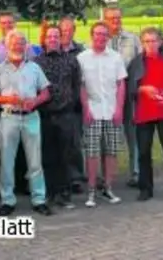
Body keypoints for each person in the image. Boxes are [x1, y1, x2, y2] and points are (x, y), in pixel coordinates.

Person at [0, 31, 53, 217]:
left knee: (35, 160)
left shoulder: (34, 67)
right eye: (15, 43)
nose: (18, 46)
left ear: (26, 46)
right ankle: (7, 200)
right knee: (7, 160)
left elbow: (46, 93)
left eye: (22, 43)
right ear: (7, 46)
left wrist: (35, 101)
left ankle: (39, 199)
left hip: (31, 117)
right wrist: (7, 99)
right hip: (9, 117)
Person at [127, 26, 163, 203]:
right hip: (144, 114)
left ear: (160, 42)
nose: (150, 45)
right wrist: (144, 89)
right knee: (144, 153)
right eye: (146, 41)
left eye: (153, 41)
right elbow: (130, 87)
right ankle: (145, 189)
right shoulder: (136, 63)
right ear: (142, 43)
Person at [76, 21, 128, 207]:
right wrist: (86, 108)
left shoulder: (116, 57)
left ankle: (108, 188)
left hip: (112, 111)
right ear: (92, 35)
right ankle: (91, 190)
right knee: (92, 153)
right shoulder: (82, 58)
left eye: (104, 34)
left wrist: (119, 109)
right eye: (97, 34)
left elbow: (121, 84)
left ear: (108, 37)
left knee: (111, 151)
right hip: (93, 111)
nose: (101, 37)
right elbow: (81, 86)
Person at [36, 25, 84, 209]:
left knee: (66, 155)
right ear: (44, 39)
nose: (53, 39)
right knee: (48, 155)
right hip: (45, 114)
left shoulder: (71, 60)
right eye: (49, 36)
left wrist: (71, 104)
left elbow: (76, 85)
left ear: (60, 38)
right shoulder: (37, 62)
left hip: (65, 114)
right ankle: (50, 192)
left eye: (56, 36)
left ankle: (64, 193)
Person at [102, 5, 141, 191]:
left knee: (134, 133)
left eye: (118, 18)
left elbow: (142, 64)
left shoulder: (133, 39)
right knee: (108, 136)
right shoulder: (100, 41)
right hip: (108, 96)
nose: (115, 21)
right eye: (111, 18)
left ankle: (137, 173)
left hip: (130, 92)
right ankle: (107, 177)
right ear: (105, 20)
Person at [57, 16, 86, 193]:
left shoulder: (81, 51)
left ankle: (75, 177)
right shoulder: (52, 49)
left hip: (75, 105)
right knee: (58, 143)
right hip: (56, 105)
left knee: (75, 142)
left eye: (69, 30)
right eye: (63, 30)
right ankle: (60, 177)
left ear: (74, 31)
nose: (66, 33)